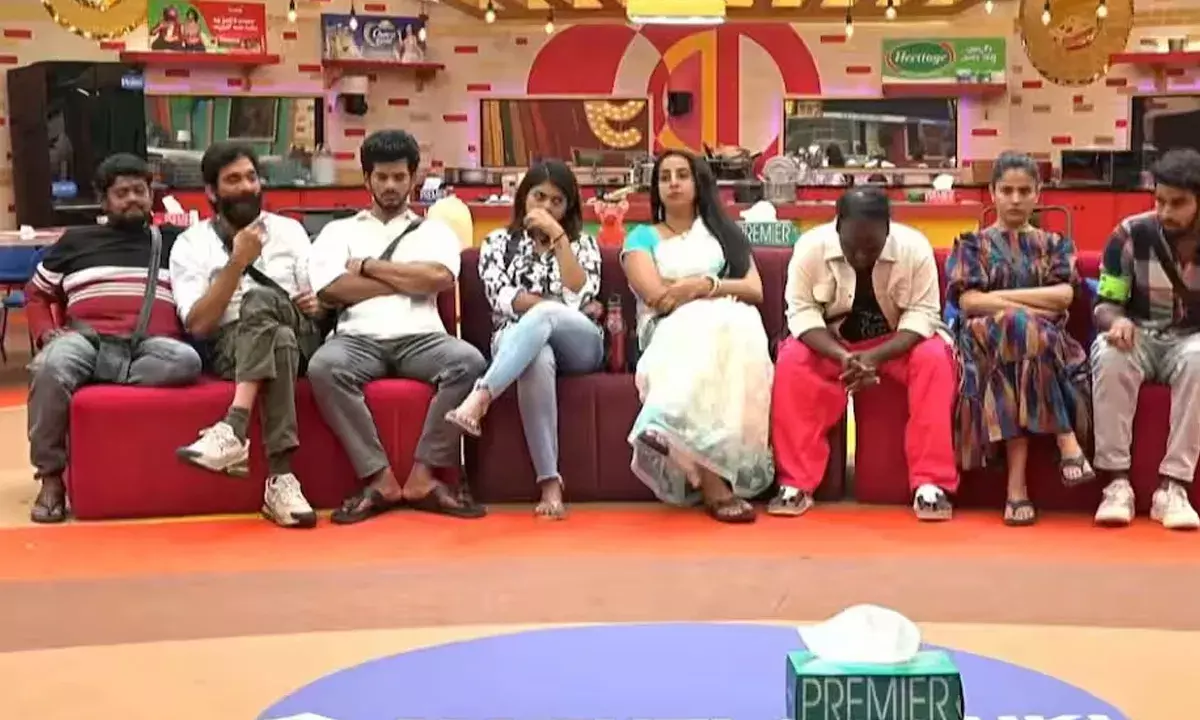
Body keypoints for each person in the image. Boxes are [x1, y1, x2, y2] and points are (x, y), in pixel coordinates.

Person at [306, 130, 487, 525]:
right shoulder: (339, 231)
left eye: (399, 177)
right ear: (366, 178)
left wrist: (369, 267)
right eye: (382, 177)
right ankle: (380, 479)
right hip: (356, 340)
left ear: (413, 178)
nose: (391, 185)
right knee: (323, 367)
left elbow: (439, 278)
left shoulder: (434, 231)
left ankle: (423, 477)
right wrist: (408, 278)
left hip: (422, 338)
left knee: (470, 362)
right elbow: (332, 288)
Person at [24, 153, 203, 523]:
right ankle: (51, 478)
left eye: (140, 190)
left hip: (150, 348)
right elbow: (37, 292)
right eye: (122, 193)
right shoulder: (76, 241)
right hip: (86, 341)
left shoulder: (175, 243)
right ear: (104, 201)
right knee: (49, 367)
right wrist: (44, 332)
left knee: (186, 361)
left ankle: (102, 373)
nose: (133, 199)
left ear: (151, 195)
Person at [771, 187, 958, 521]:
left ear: (888, 230)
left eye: (871, 247)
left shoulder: (915, 248)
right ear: (837, 227)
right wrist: (841, 356)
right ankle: (795, 484)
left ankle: (931, 484)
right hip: (832, 343)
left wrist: (876, 357)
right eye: (851, 246)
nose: (860, 256)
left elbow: (923, 315)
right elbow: (801, 314)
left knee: (934, 358)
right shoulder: (810, 247)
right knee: (792, 360)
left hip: (896, 342)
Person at [169, 142, 325, 528]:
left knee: (264, 305)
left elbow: (321, 303)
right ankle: (281, 480)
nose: (245, 187)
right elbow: (199, 325)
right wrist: (237, 262)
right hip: (231, 345)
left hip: (299, 331)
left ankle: (234, 427)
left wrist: (318, 304)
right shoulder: (190, 244)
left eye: (251, 177)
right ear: (211, 192)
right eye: (233, 180)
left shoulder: (289, 231)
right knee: (277, 339)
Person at [620, 150, 774, 524]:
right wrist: (704, 290)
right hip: (668, 328)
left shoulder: (723, 233)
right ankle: (711, 481)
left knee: (735, 326)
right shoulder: (641, 237)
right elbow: (657, 297)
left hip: (728, 327)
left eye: (682, 175)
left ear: (697, 183)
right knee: (707, 324)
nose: (673, 183)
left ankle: (668, 426)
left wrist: (702, 285)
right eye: (664, 177)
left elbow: (754, 289)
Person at [445, 160, 604, 520]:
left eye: (557, 201)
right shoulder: (497, 243)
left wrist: (558, 238)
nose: (546, 207)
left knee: (545, 315)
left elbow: (580, 296)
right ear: (523, 199)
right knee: (538, 356)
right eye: (539, 197)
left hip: (579, 343)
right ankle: (550, 484)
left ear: (568, 208)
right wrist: (555, 304)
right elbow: (502, 298)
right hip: (515, 342)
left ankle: (481, 397)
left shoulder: (582, 244)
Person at [944, 151, 1092, 526]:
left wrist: (1002, 302)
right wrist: (1031, 307)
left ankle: (1016, 487)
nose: (1015, 199)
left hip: (1044, 343)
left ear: (1037, 193)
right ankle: (1065, 439)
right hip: (982, 341)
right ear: (992, 192)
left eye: (1024, 191)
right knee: (1020, 329)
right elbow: (969, 302)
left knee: (1020, 340)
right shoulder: (971, 245)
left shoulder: (1055, 244)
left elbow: (1065, 297)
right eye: (1007, 190)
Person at [1091, 148, 1200, 530]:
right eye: (1160, 201)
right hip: (1138, 336)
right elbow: (1105, 304)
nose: (1166, 212)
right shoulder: (1129, 234)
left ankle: (1173, 488)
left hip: (1191, 342)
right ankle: (1116, 484)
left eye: (1178, 203)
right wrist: (1116, 321)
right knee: (1109, 353)